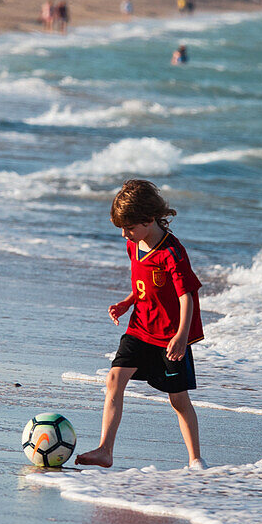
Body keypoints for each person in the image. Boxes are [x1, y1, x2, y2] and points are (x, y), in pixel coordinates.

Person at [75, 179, 206, 470]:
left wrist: (182, 336)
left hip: (170, 338)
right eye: (121, 229)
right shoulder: (133, 244)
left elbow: (187, 297)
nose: (124, 234)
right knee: (114, 379)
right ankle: (105, 449)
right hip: (140, 327)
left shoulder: (171, 252)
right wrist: (127, 301)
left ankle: (195, 459)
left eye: (129, 228)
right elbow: (143, 284)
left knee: (178, 400)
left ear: (148, 220)